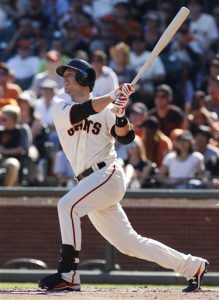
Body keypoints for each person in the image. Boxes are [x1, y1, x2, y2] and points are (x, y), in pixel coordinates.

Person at [38, 58, 209, 293]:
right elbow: (83, 111)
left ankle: (68, 274)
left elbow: (126, 137)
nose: (64, 78)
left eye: (70, 74)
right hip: (88, 183)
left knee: (66, 206)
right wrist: (113, 96)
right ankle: (192, 266)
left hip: (106, 174)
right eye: (64, 75)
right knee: (129, 243)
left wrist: (119, 113)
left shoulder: (107, 110)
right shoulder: (61, 107)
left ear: (84, 78)